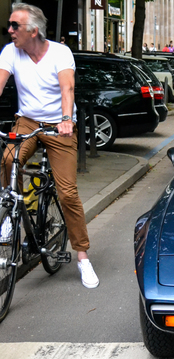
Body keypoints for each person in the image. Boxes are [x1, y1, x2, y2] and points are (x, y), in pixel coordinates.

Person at [0, 3, 99, 289]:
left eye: (14, 26)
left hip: (59, 125)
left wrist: (67, 119)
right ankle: (12, 210)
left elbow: (67, 88)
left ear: (33, 30)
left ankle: (82, 257)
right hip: (28, 121)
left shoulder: (60, 52)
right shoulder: (10, 52)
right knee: (8, 160)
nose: (9, 30)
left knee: (67, 193)